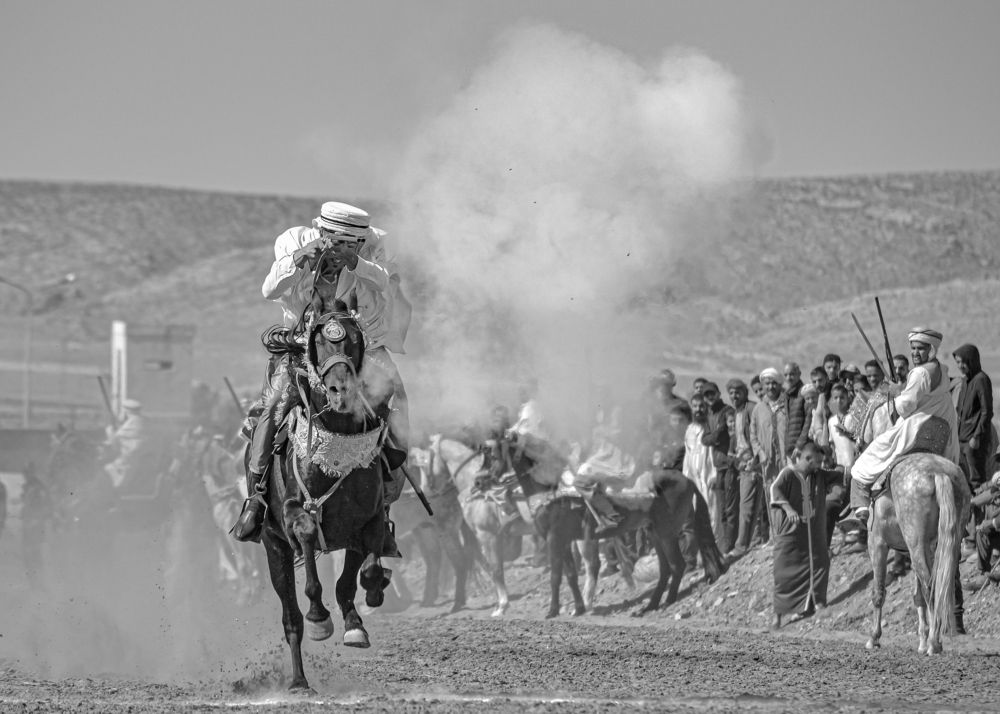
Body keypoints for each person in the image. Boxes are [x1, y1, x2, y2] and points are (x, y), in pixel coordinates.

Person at [234, 201, 411, 542]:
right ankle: (256, 498)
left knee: (399, 404)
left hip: (362, 349)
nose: (346, 249)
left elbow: (385, 283)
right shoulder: (293, 241)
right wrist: (299, 262)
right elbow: (270, 289)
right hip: (302, 347)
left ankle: (384, 500)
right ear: (324, 235)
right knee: (273, 408)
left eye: (353, 244)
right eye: (340, 243)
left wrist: (356, 264)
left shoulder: (373, 249)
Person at [849, 327, 960, 523]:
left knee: (869, 457)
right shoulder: (941, 369)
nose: (916, 353)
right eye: (913, 348)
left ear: (931, 349)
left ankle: (861, 504)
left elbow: (905, 406)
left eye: (921, 349)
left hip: (919, 428)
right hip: (943, 432)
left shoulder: (919, 373)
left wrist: (896, 391)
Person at [769, 442, 841, 629]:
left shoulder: (818, 475)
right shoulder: (788, 474)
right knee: (784, 570)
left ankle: (818, 603)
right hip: (792, 532)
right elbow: (775, 491)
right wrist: (788, 509)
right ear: (807, 459)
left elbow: (844, 474)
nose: (820, 466)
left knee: (821, 562)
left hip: (813, 531)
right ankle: (777, 616)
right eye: (816, 462)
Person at [727, 379, 761, 559]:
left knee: (746, 507)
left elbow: (757, 437)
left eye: (737, 392)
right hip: (742, 464)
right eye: (731, 393)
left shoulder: (750, 409)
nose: (734, 396)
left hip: (752, 465)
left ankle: (741, 546)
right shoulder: (737, 412)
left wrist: (753, 460)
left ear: (744, 393)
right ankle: (752, 542)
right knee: (749, 506)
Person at [953, 344, 994, 490]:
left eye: (963, 362)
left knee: (976, 481)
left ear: (971, 360)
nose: (960, 366)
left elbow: (986, 411)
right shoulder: (965, 381)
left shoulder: (981, 379)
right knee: (963, 481)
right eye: (957, 362)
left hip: (973, 441)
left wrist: (976, 437)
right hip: (961, 438)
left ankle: (981, 512)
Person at [701, 382, 735, 549]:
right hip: (718, 465)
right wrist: (715, 437)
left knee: (729, 508)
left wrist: (714, 437)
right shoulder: (708, 415)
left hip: (729, 464)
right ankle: (724, 545)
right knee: (721, 510)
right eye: (707, 395)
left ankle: (730, 544)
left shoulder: (727, 411)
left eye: (712, 394)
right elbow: (705, 440)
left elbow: (722, 433)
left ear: (718, 394)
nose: (710, 397)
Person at [104, 399, 147, 489]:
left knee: (107, 468)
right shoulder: (140, 420)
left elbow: (115, 438)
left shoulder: (132, 422)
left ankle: (117, 487)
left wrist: (109, 430)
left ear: (127, 411)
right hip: (137, 454)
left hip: (130, 456)